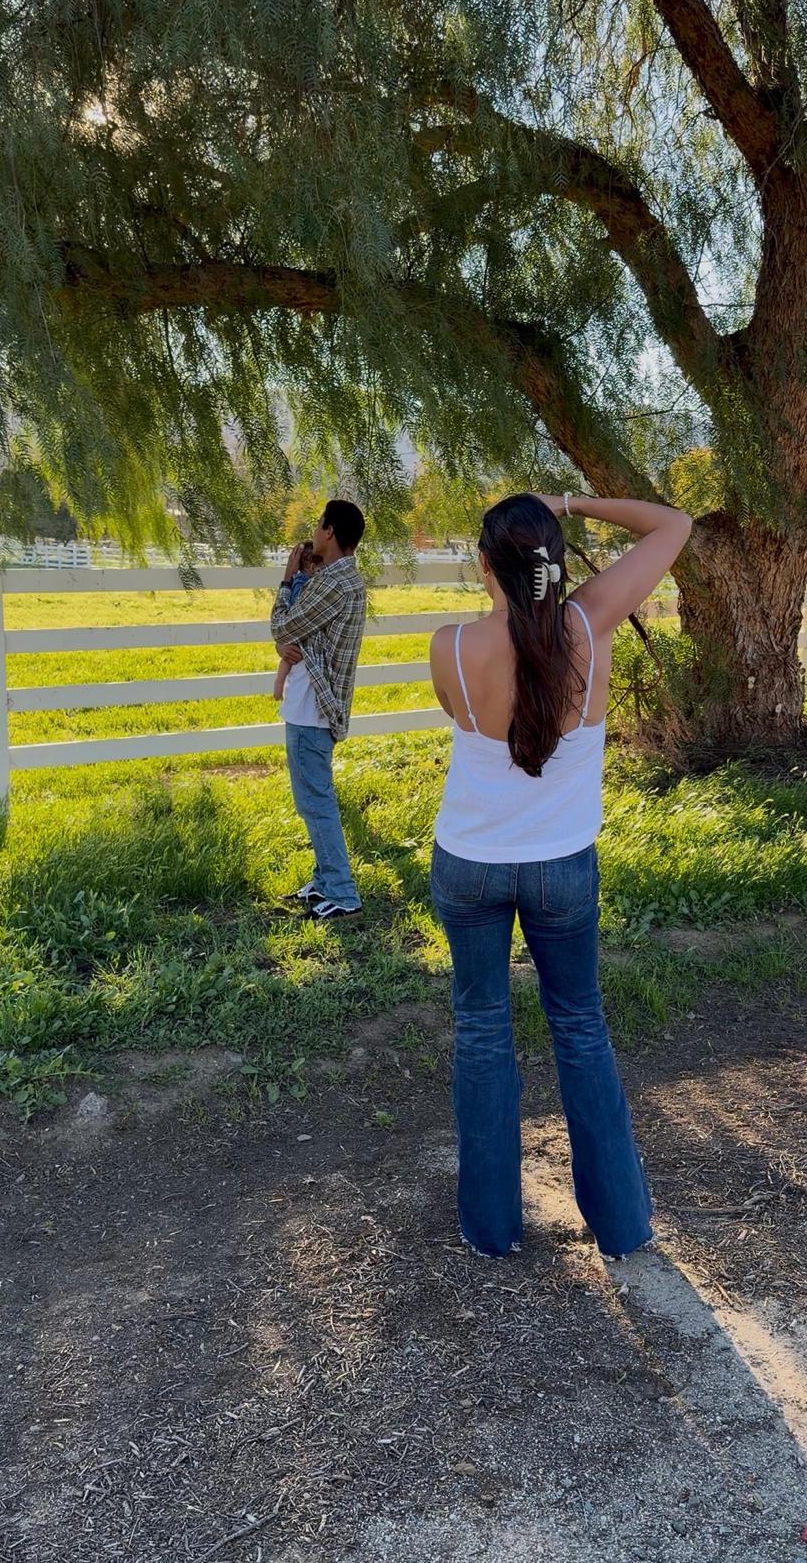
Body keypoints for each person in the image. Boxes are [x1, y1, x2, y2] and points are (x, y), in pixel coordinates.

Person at [429, 490, 692, 1260]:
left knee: (481, 1031)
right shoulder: (589, 624)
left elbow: (465, 711)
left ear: (485, 568)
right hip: (562, 867)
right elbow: (673, 524)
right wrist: (573, 501)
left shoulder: (448, 647)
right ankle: (618, 1225)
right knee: (580, 1027)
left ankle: (491, 1230)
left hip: (471, 865)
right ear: (556, 562)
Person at [271, 499, 367, 920]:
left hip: (313, 705)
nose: (314, 532)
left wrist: (288, 579)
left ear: (329, 531)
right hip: (312, 702)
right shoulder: (338, 579)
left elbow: (283, 627)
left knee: (315, 799)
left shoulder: (335, 582)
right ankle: (327, 879)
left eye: (318, 524)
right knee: (312, 797)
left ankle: (342, 890)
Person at [273, 544, 318, 701]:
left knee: (286, 662)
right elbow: (298, 608)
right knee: (287, 660)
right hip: (297, 630)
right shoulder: (305, 583)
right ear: (312, 567)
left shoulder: (297, 581)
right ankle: (278, 686)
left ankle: (278, 687)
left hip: (294, 630)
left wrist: (288, 578)